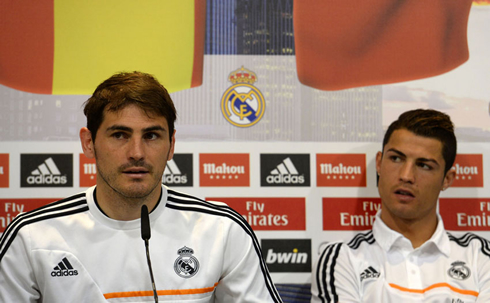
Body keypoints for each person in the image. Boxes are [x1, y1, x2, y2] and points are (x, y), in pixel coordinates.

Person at [0, 71, 283, 303]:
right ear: (89, 143)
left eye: (151, 135)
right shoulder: (31, 236)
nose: (136, 152)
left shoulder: (222, 229)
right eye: (120, 134)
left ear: (171, 145)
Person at [311, 109, 490, 302]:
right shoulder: (342, 259)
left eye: (424, 165)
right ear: (379, 164)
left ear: (447, 179)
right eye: (396, 158)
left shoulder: (479, 256)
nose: (406, 176)